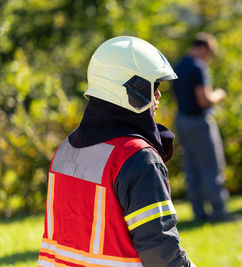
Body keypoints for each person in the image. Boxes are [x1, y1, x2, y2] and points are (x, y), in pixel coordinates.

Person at [38, 36, 194, 267]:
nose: (158, 95)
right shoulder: (138, 159)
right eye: (155, 86)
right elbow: (160, 251)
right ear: (133, 89)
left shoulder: (66, 149)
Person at [172, 33, 240, 222]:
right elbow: (204, 99)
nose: (208, 58)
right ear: (203, 49)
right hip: (199, 122)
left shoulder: (178, 65)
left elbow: (176, 97)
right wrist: (219, 94)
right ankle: (219, 212)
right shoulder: (197, 66)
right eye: (209, 54)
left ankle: (198, 212)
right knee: (211, 166)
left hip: (182, 120)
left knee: (191, 168)